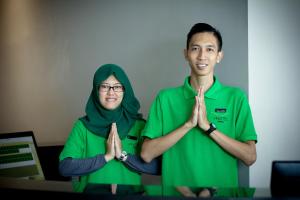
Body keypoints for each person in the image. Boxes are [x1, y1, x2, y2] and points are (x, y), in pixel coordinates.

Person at [140, 23, 258, 197]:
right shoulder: (165, 98)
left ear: (219, 56)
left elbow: (250, 157)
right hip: (175, 195)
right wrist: (188, 124)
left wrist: (208, 127)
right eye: (195, 48)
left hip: (223, 196)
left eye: (209, 49)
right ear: (186, 54)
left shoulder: (236, 97)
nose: (202, 56)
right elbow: (146, 154)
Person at [59, 64, 159, 194]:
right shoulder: (82, 126)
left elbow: (157, 167)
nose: (111, 92)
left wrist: (123, 156)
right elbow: (65, 167)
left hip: (131, 197)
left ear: (125, 90)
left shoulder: (138, 125)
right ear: (96, 90)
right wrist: (106, 157)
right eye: (104, 86)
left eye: (117, 87)